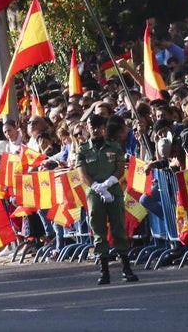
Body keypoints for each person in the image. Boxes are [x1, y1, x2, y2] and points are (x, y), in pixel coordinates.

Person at [75, 114, 137, 285]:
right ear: (87, 128)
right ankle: (104, 270)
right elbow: (82, 174)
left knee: (119, 228)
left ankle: (126, 268)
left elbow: (119, 169)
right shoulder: (82, 149)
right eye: (92, 126)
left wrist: (109, 183)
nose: (95, 130)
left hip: (114, 191)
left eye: (99, 126)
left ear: (104, 127)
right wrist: (97, 187)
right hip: (94, 194)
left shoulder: (114, 146)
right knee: (99, 231)